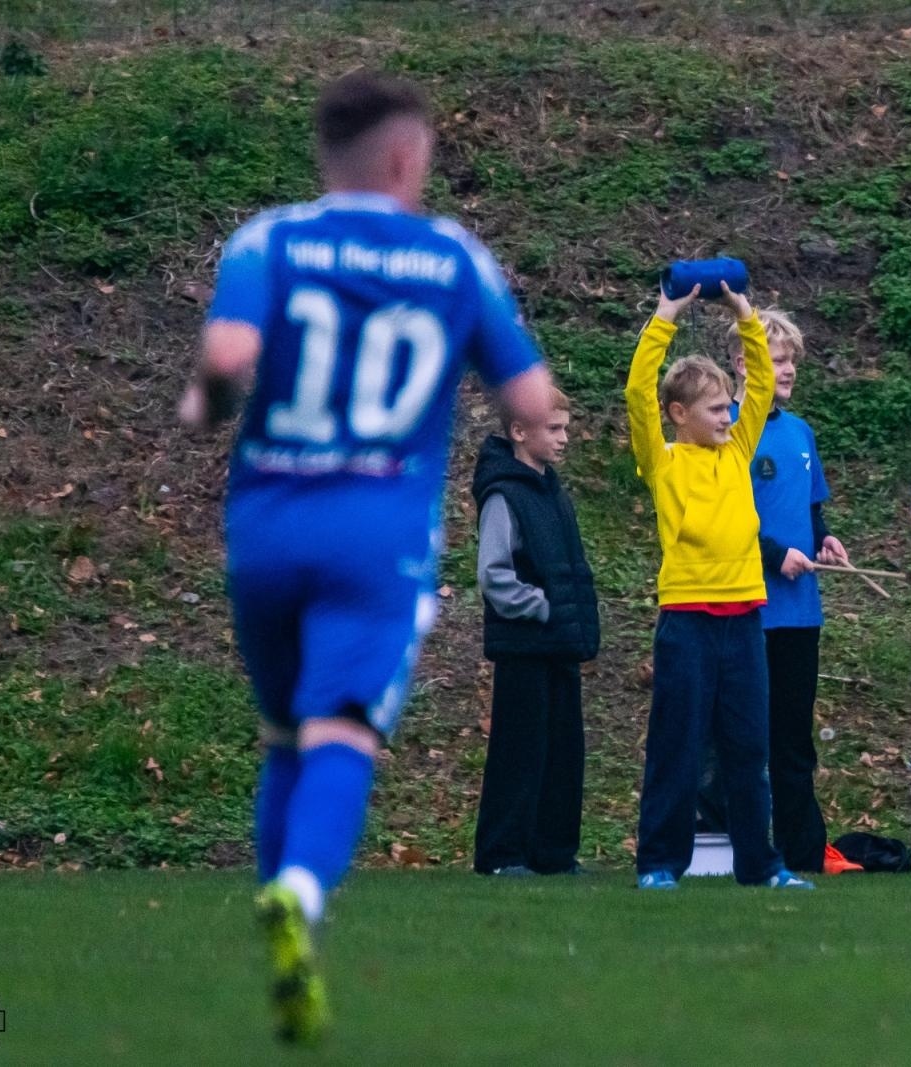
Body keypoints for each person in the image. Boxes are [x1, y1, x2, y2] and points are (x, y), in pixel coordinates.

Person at [177, 70, 555, 1044]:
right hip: (375, 539)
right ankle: (299, 894)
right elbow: (529, 398)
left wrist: (207, 405)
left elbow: (223, 361)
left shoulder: (270, 239)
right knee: (341, 729)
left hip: (265, 530)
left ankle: (277, 929)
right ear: (402, 157)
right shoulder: (452, 258)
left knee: (281, 734)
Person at [624, 278, 813, 891]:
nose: (729, 416)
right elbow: (636, 392)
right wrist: (667, 314)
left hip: (744, 620)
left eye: (730, 407)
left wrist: (742, 309)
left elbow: (760, 378)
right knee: (676, 747)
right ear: (679, 416)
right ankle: (659, 863)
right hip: (686, 621)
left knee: (747, 751)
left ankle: (759, 865)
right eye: (714, 409)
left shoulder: (738, 450)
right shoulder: (665, 460)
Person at [722, 309, 859, 876]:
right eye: (778, 359)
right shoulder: (725, 427)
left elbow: (810, 511)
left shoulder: (800, 432)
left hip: (801, 613)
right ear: (742, 361)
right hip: (748, 609)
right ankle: (739, 847)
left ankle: (803, 851)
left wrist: (824, 541)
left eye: (793, 361)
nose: (789, 370)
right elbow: (725, 517)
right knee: (744, 737)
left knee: (795, 741)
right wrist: (777, 556)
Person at [471, 388, 599, 878]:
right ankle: (503, 855)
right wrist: (541, 608)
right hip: (525, 644)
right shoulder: (505, 495)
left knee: (564, 752)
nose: (565, 438)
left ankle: (554, 853)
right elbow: (494, 573)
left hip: (559, 643)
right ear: (520, 432)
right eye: (555, 429)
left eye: (565, 428)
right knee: (518, 751)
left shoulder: (552, 491)